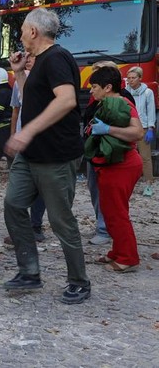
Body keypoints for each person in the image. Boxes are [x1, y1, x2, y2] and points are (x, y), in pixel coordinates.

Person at [3, 7, 90, 305]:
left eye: (23, 29)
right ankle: (29, 272)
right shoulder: (38, 62)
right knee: (13, 204)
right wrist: (19, 73)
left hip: (56, 156)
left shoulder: (57, 58)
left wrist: (27, 132)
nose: (21, 34)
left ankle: (79, 281)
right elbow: (34, 100)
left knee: (60, 220)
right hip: (32, 155)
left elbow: (66, 101)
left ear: (33, 32)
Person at [85, 64, 144, 272]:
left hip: (123, 165)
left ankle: (128, 259)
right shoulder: (108, 103)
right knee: (110, 212)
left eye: (94, 86)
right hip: (112, 165)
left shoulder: (123, 103)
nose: (91, 91)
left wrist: (108, 129)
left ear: (108, 87)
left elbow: (138, 133)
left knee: (116, 213)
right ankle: (117, 253)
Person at [3, 55, 46, 245]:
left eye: (32, 57)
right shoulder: (17, 84)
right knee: (18, 188)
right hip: (22, 140)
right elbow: (15, 111)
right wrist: (13, 134)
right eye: (25, 57)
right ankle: (20, 230)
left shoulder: (46, 80)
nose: (28, 60)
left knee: (41, 187)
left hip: (42, 140)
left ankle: (36, 226)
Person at [124, 66, 156, 197]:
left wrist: (151, 128)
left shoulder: (147, 92)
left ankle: (148, 183)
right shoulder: (126, 91)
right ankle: (129, 182)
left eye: (134, 78)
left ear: (140, 78)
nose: (131, 81)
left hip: (142, 128)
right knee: (127, 155)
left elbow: (151, 111)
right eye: (129, 78)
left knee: (145, 157)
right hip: (129, 127)